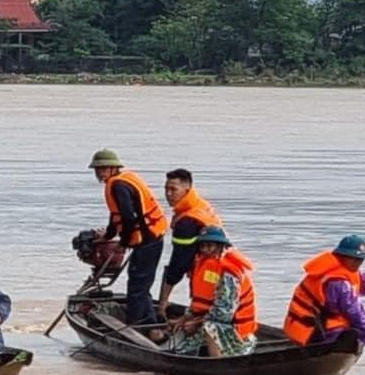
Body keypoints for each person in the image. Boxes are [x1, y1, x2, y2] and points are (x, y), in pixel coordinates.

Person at [88, 148, 168, 328]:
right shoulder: (120, 182)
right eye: (97, 170)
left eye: (102, 169)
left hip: (148, 239)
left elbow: (128, 217)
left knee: (137, 284)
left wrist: (122, 243)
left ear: (112, 168)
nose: (99, 173)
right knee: (140, 282)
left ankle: (136, 326)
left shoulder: (118, 186)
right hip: (150, 237)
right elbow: (115, 214)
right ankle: (150, 323)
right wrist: (108, 235)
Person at [167, 226, 257, 357]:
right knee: (181, 346)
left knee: (211, 327)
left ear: (220, 246)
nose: (205, 250)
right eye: (202, 246)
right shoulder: (202, 264)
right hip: (211, 320)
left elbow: (224, 313)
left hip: (236, 332)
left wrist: (196, 323)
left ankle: (219, 366)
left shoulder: (229, 273)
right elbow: (199, 304)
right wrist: (185, 318)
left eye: (209, 246)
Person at [156, 167, 223, 317]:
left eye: (173, 189)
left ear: (187, 189)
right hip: (221, 265)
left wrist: (163, 302)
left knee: (202, 307)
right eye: (166, 189)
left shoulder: (187, 221)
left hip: (208, 272)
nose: (168, 194)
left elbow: (179, 263)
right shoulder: (200, 205)